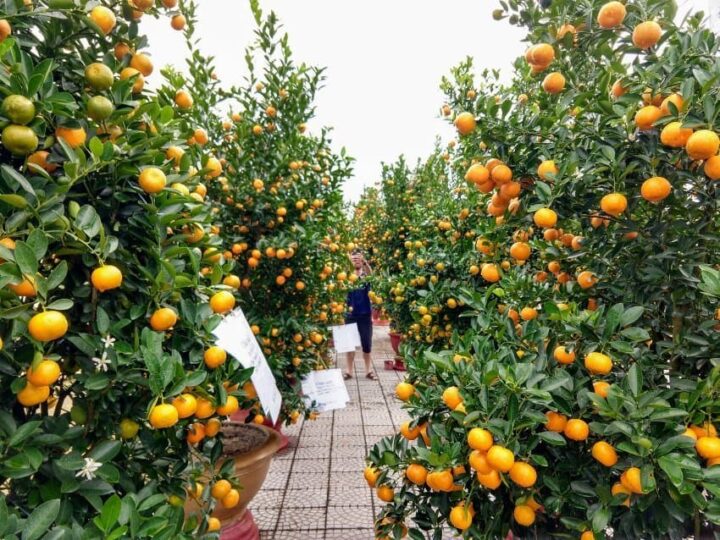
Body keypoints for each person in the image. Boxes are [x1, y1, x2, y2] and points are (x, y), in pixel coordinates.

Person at [343, 249, 375, 380]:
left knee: (366, 344)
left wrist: (366, 262)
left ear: (362, 260)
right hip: (350, 315)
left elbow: (371, 275)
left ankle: (368, 371)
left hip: (365, 314)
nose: (356, 260)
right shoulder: (346, 276)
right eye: (353, 258)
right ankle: (349, 371)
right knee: (349, 344)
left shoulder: (365, 276)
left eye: (358, 258)